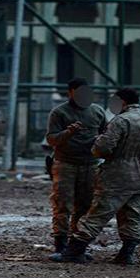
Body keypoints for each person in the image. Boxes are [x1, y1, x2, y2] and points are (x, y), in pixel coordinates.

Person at [51, 88, 140, 265]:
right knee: (132, 215)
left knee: (97, 214)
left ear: (122, 102)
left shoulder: (120, 121)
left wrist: (96, 144)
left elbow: (102, 149)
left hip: (118, 175)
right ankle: (127, 254)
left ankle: (74, 251)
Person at [45, 78, 106, 255]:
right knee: (62, 205)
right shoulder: (59, 112)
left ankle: (76, 245)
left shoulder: (97, 111)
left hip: (90, 165)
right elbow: (51, 139)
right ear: (70, 93)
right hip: (65, 164)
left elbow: (107, 135)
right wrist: (69, 132)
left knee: (86, 206)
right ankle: (60, 245)